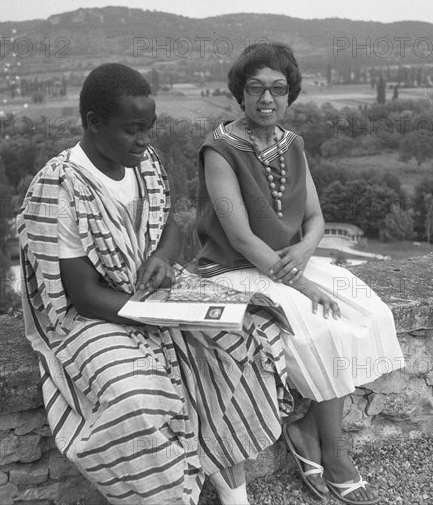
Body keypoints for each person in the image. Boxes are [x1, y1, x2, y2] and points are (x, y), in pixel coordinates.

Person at [17, 63, 296, 505]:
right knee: (140, 396)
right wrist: (155, 315)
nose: (144, 140)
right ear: (93, 122)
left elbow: (171, 225)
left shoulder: (143, 162)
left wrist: (164, 258)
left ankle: (227, 474)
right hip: (96, 314)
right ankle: (166, 495)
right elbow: (83, 296)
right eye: (132, 130)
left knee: (246, 338)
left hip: (154, 294)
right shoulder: (60, 186)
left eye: (149, 128)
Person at [196, 44, 405, 505]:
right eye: (255, 89)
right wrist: (303, 282)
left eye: (278, 89)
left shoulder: (294, 144)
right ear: (240, 93)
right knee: (318, 326)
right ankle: (334, 452)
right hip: (238, 270)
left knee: (370, 313)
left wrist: (307, 252)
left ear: (290, 95)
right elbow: (243, 238)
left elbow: (314, 217)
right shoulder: (220, 150)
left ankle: (307, 428)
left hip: (290, 262)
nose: (266, 99)